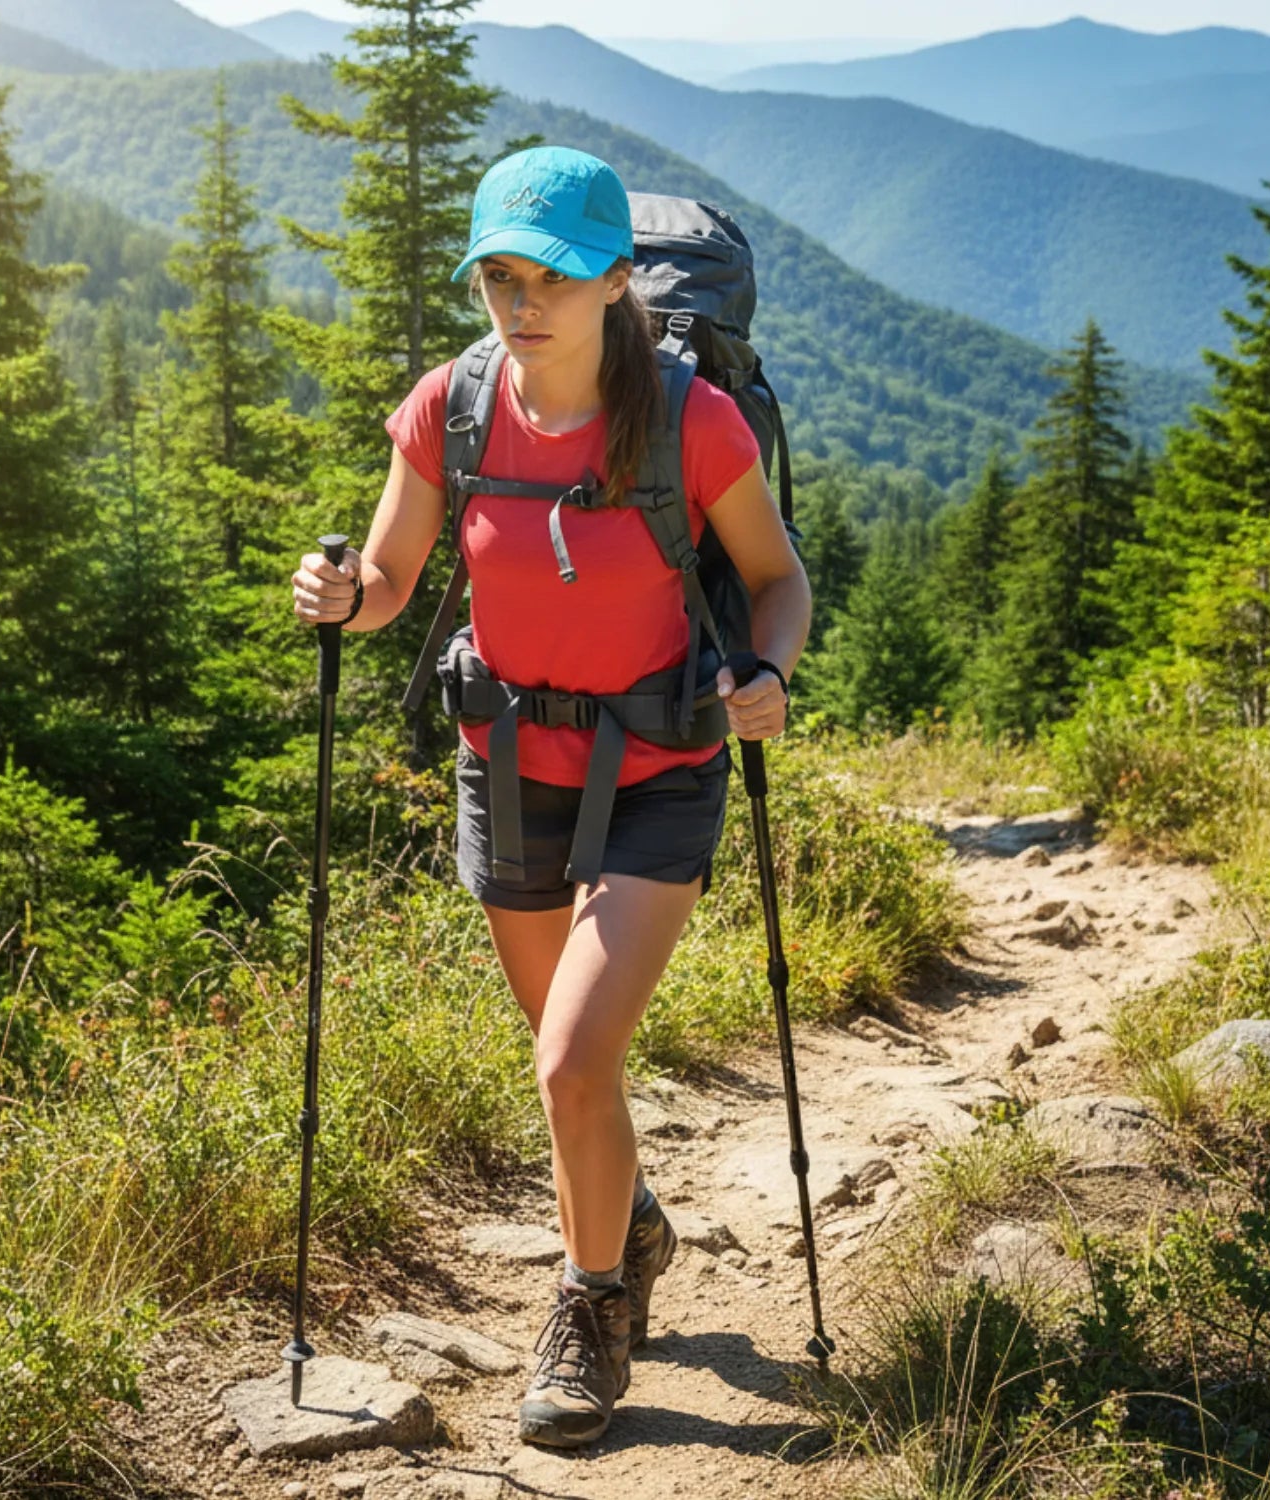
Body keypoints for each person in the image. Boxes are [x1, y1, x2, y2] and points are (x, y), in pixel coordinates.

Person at [291, 146, 811, 1448]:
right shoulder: (450, 408)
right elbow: (397, 576)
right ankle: (627, 1218)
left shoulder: (692, 420)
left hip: (658, 768)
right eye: (499, 278)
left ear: (617, 281)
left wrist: (766, 669)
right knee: (576, 1075)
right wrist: (346, 597)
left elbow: (776, 580)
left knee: (572, 1058)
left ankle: (589, 1309)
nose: (522, 305)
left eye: (555, 278)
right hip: (507, 764)